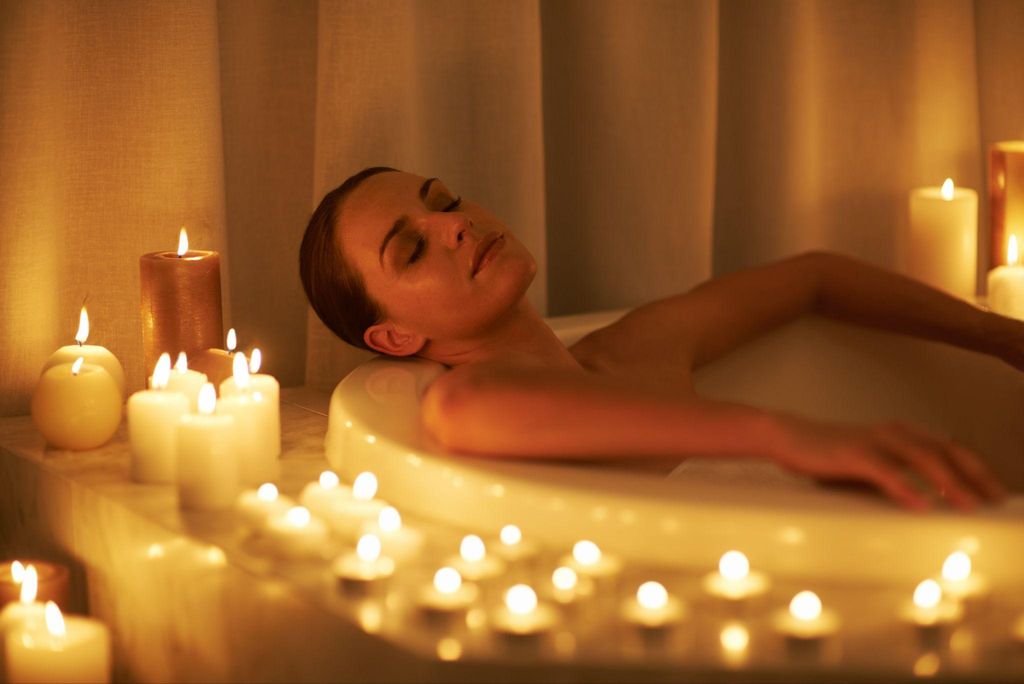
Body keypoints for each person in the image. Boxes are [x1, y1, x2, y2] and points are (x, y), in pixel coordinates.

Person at [300, 166, 1011, 512]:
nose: (454, 225)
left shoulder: (632, 349)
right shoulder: (468, 398)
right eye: (411, 250)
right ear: (393, 337)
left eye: (445, 201)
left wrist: (1000, 336)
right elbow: (465, 414)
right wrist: (790, 436)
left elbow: (816, 279)